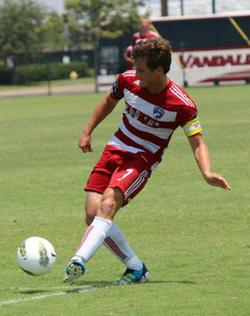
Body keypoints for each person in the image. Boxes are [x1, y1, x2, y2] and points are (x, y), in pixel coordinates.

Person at [64, 37, 231, 285]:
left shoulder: (182, 104)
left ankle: (78, 260)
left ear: (160, 71)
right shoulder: (127, 80)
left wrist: (207, 172)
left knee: (108, 203)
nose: (136, 73)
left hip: (142, 158)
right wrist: (87, 131)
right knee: (92, 215)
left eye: (141, 70)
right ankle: (136, 267)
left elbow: (198, 141)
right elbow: (108, 102)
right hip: (114, 149)